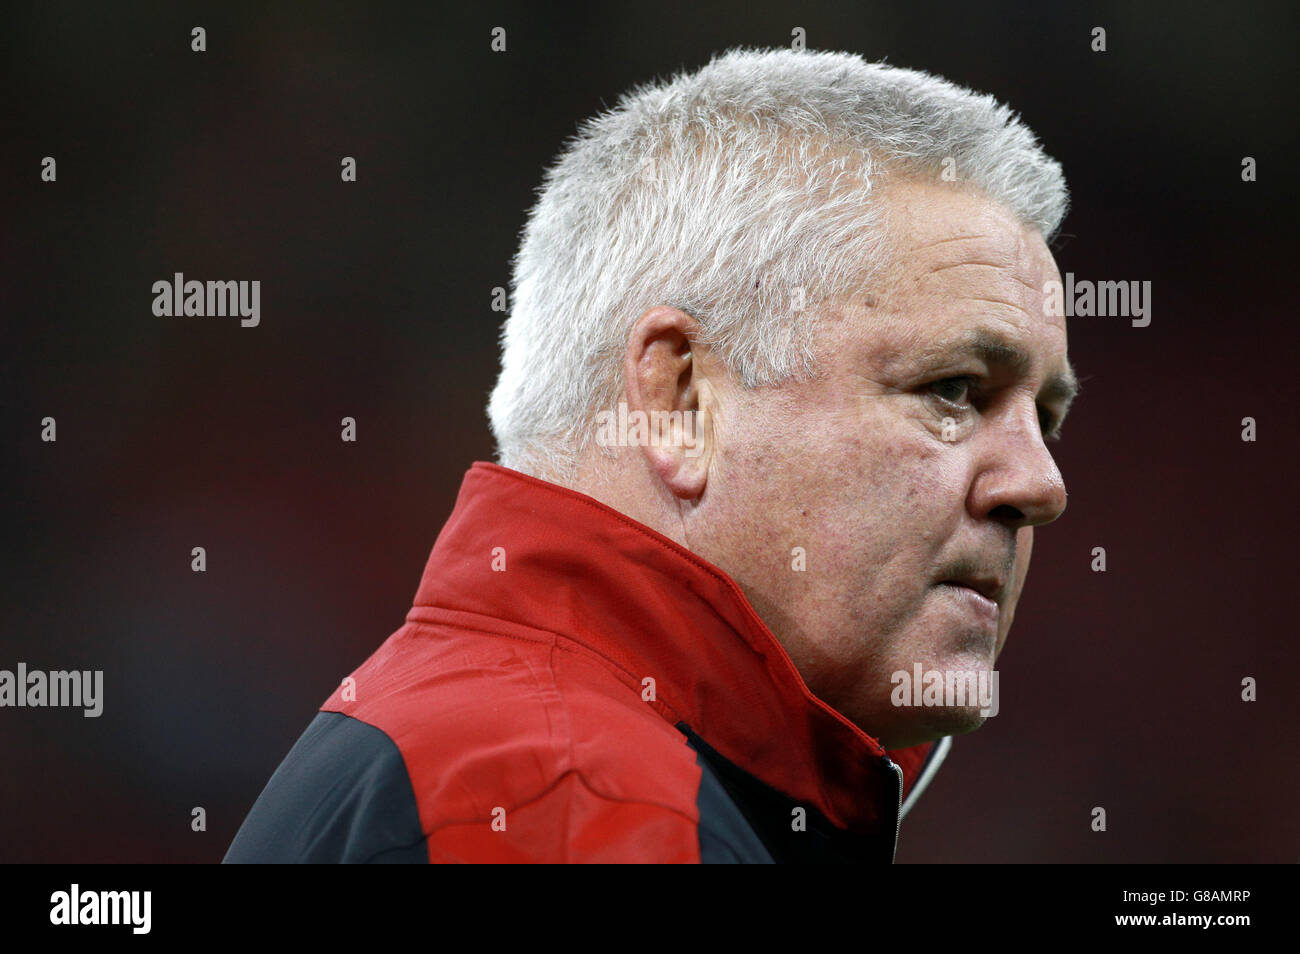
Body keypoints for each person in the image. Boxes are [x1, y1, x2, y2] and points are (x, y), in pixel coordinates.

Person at [224, 46, 1077, 863]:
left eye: (1046, 416)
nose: (1040, 484)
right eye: (956, 390)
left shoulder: (496, 748)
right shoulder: (579, 801)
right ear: (679, 402)